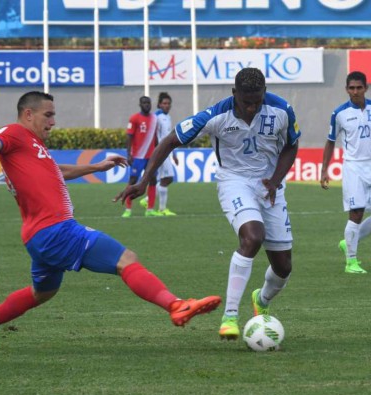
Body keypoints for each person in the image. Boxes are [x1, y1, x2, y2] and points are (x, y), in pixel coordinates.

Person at [0, 91, 221, 350]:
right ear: (28, 114)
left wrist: (97, 166)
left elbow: (56, 170)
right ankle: (175, 305)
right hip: (57, 230)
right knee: (125, 259)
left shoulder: (33, 145)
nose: (53, 122)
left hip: (38, 235)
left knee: (43, 292)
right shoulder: (14, 133)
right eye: (48, 115)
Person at [115, 68, 301, 340]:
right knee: (252, 237)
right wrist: (144, 181)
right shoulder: (214, 115)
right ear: (234, 93)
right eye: (246, 101)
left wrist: (275, 180)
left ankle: (260, 299)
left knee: (283, 266)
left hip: (268, 186)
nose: (251, 107)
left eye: (257, 101)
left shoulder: (282, 110)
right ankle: (230, 316)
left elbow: (291, 145)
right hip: (234, 181)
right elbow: (169, 142)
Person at [320, 71, 371, 274]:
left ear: (366, 88)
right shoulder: (340, 113)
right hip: (353, 167)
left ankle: (349, 242)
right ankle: (351, 262)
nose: (355, 91)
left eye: (359, 87)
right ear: (346, 89)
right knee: (357, 213)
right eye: (351, 88)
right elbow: (330, 141)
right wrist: (324, 168)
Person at [140, 92, 179, 216]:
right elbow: (153, 136)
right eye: (164, 103)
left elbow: (169, 137)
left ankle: (149, 201)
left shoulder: (168, 117)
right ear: (159, 104)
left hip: (166, 151)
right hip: (159, 152)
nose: (166, 106)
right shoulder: (156, 117)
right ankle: (161, 209)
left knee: (165, 179)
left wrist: (174, 154)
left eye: (168, 103)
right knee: (167, 178)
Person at [121, 96, 160, 218]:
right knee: (132, 181)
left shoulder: (155, 119)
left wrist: (159, 152)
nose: (147, 105)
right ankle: (128, 209)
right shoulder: (134, 118)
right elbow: (129, 136)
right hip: (138, 157)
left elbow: (156, 137)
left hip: (152, 156)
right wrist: (129, 154)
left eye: (148, 103)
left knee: (152, 180)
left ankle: (150, 209)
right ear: (140, 104)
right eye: (144, 103)